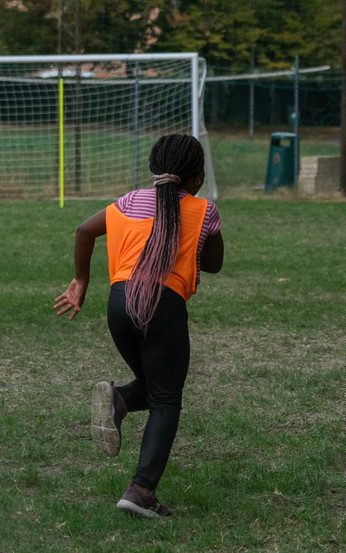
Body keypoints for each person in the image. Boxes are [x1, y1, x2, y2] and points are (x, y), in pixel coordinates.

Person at [54, 134, 224, 517]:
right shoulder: (205, 210)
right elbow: (214, 265)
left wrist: (81, 280)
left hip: (119, 304)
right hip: (162, 306)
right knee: (166, 398)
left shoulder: (129, 201)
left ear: (154, 169)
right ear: (197, 177)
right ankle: (141, 491)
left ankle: (121, 400)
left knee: (156, 384)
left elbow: (84, 231)